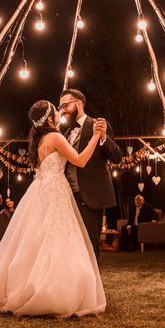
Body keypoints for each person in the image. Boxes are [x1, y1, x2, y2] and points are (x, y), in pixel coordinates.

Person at [0, 100, 106, 317]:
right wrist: (96, 137)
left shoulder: (40, 139)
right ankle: (52, 292)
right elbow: (79, 160)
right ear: (50, 119)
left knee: (36, 238)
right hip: (55, 190)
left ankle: (32, 284)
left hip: (42, 189)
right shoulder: (56, 137)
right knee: (57, 237)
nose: (60, 112)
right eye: (55, 110)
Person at [59, 88, 122, 262]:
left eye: (65, 105)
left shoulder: (98, 124)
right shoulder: (65, 133)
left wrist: (103, 138)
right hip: (68, 195)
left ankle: (92, 286)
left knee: (89, 243)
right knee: (71, 244)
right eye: (61, 106)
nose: (62, 110)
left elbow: (117, 157)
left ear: (78, 103)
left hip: (91, 196)